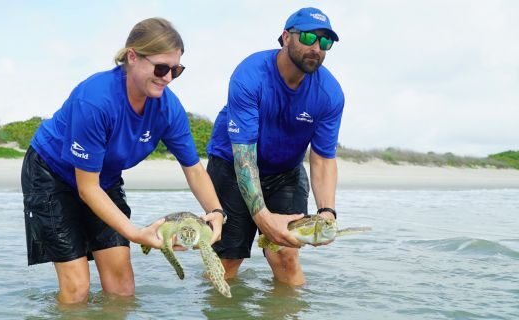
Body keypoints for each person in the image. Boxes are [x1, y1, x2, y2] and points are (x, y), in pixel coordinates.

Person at [21, 17, 225, 304]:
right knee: (77, 288)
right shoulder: (95, 101)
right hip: (51, 174)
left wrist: (216, 212)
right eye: (161, 68)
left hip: (104, 177)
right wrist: (136, 233)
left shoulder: (168, 108)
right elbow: (86, 188)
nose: (167, 78)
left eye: (175, 70)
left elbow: (193, 169)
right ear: (132, 57)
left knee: (122, 289)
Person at [206, 7, 344, 286]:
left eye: (325, 42)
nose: (316, 48)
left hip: (285, 172)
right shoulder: (250, 75)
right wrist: (263, 218)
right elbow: (244, 156)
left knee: (285, 254)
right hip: (233, 165)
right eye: (308, 37)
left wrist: (327, 213)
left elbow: (322, 159)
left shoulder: (330, 94)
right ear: (285, 37)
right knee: (229, 259)